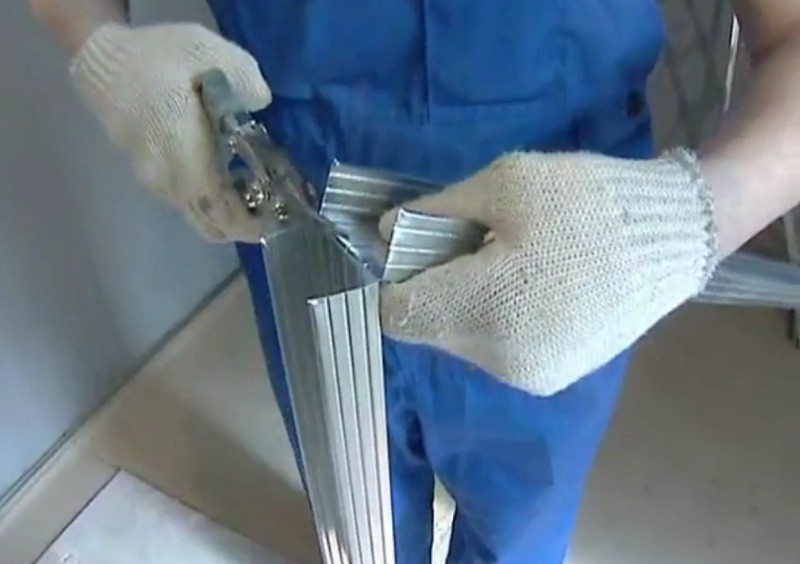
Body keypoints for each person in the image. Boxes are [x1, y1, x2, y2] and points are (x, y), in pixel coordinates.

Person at [30, 0, 800, 562]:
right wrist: (104, 48)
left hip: (562, 253)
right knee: (356, 519)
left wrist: (687, 217)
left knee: (521, 527)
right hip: (301, 228)